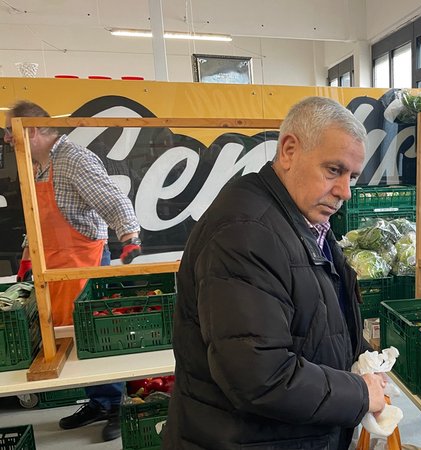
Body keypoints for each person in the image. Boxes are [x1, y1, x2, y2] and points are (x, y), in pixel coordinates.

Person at [163, 96, 387, 449]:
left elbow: (318, 317)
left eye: (352, 176)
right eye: (333, 170)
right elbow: (259, 376)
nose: (344, 190)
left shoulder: (301, 220)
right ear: (289, 150)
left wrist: (360, 361)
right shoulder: (245, 232)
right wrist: (358, 393)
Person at [4, 100, 142, 441]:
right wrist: (27, 257)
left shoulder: (73, 158)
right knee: (72, 339)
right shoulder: (37, 165)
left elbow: (112, 199)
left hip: (84, 260)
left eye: (10, 131)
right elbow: (37, 220)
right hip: (52, 264)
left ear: (32, 131)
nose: (7, 138)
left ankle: (119, 404)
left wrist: (129, 236)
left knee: (96, 337)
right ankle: (101, 400)